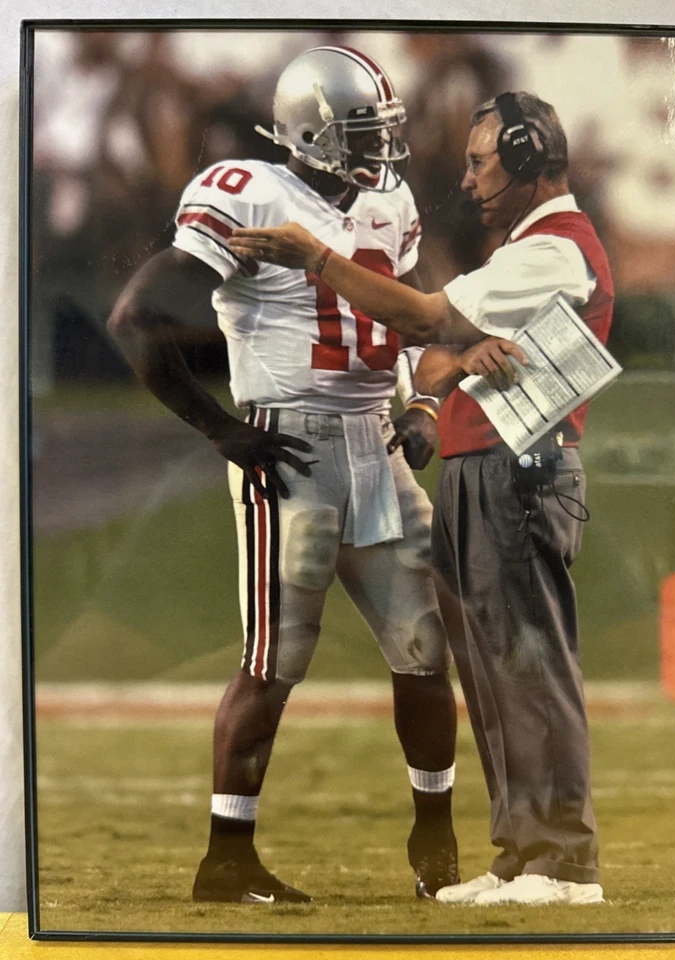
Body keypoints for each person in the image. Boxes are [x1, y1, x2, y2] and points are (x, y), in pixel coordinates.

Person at [228, 90, 614, 906]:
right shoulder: (529, 249)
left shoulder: (551, 249)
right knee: (492, 673)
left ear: (525, 157)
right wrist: (440, 374)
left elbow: (425, 316)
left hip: (519, 469)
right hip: (487, 469)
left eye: (481, 162)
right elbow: (439, 355)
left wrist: (318, 262)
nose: (467, 178)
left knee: (526, 666)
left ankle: (560, 862)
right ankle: (521, 854)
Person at [107, 45, 460, 905]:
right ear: (312, 130)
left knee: (425, 649)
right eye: (363, 128)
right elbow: (134, 317)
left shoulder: (390, 200)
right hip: (291, 450)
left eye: (383, 126)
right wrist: (223, 430)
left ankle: (435, 836)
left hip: (376, 446)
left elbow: (399, 318)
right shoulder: (250, 192)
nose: (381, 145)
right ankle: (226, 858)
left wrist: (417, 409)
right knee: (273, 661)